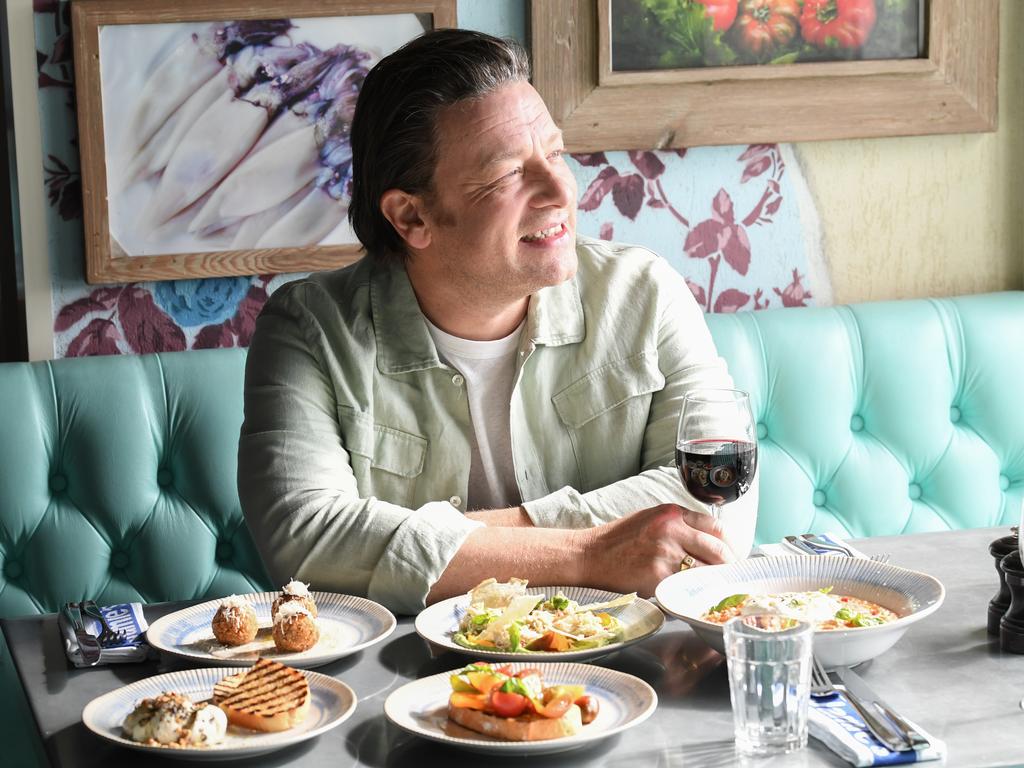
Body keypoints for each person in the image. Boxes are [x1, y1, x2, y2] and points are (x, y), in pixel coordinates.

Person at [238, 28, 757, 615]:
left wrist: (461, 540)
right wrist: (587, 553)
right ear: (412, 215)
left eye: (556, 154)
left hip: (629, 661)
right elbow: (305, 541)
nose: (561, 189)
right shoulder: (307, 330)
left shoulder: (645, 292)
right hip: (414, 679)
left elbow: (715, 516)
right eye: (510, 173)